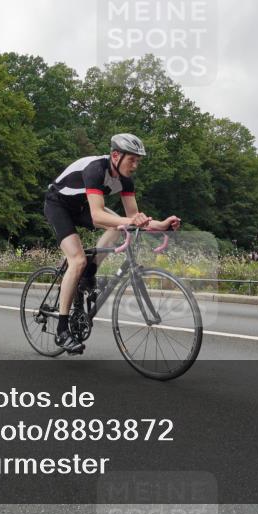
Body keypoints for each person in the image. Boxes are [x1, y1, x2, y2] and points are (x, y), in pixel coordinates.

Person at [43, 134, 181, 354]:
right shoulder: (96, 170)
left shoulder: (126, 180)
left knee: (117, 226)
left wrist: (161, 225)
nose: (135, 165)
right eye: (132, 160)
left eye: (138, 161)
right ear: (116, 155)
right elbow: (98, 216)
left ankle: (89, 274)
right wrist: (130, 222)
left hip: (82, 208)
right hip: (58, 205)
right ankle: (62, 330)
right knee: (77, 260)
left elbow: (134, 218)